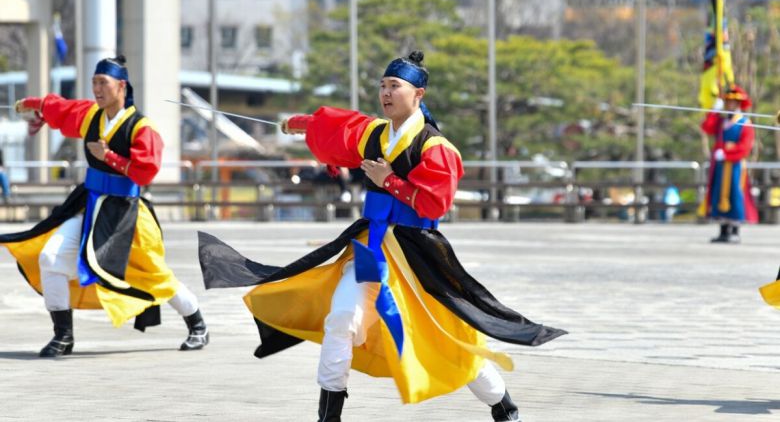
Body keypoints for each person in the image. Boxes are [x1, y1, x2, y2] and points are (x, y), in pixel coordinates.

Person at [198, 51, 565, 421]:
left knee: (447, 338)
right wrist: (298, 124)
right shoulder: (374, 133)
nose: (386, 93)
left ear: (418, 94)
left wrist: (387, 180)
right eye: (383, 86)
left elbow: (433, 206)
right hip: (370, 248)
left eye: (395, 86)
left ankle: (503, 406)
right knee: (341, 318)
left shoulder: (435, 148)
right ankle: (329, 417)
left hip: (415, 256)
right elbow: (336, 130)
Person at [2, 55, 208, 357]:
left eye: (103, 83)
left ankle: (198, 324)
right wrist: (33, 104)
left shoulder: (141, 127)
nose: (97, 89)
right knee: (50, 257)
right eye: (94, 83)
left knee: (153, 274)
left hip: (126, 211)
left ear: (121, 85)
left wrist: (109, 156)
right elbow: (60, 108)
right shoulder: (91, 116)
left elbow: (146, 170)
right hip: (88, 203)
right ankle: (63, 335)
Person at [699, 85, 758, 243]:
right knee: (719, 194)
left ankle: (735, 230)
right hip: (720, 165)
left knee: (735, 194)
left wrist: (727, 153)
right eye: (728, 102)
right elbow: (706, 128)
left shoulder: (745, 122)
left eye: (733, 102)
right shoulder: (721, 121)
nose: (730, 104)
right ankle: (723, 231)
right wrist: (714, 110)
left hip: (735, 166)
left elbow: (746, 147)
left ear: (739, 104)